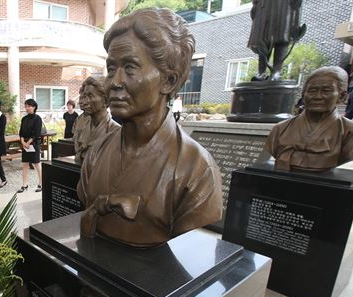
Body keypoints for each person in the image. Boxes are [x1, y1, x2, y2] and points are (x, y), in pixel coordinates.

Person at [77, 8, 222, 248]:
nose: (114, 82)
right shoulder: (98, 151)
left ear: (169, 80)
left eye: (130, 68)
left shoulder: (196, 169)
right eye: (111, 69)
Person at [265, 66, 353, 171]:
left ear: (341, 96)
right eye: (312, 90)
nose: (318, 96)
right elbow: (265, 162)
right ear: (303, 95)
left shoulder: (352, 131)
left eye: (326, 91)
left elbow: (347, 173)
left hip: (326, 186)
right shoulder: (281, 128)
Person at [248, 0, 306, 81]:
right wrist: (255, 4)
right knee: (262, 37)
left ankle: (276, 72)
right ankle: (261, 72)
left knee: (282, 35)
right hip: (264, 5)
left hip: (285, 5)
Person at [72, 77, 121, 163]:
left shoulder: (116, 132)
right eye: (85, 96)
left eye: (90, 96)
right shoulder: (81, 128)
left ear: (105, 101)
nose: (85, 101)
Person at [18, 99, 43, 193]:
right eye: (26, 106)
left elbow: (37, 134)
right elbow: (21, 132)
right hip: (25, 145)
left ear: (34, 107)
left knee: (37, 164)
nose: (27, 108)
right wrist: (23, 142)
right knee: (25, 164)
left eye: (29, 106)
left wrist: (28, 143)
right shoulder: (24, 119)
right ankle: (25, 185)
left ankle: (41, 183)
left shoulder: (38, 118)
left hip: (34, 144)